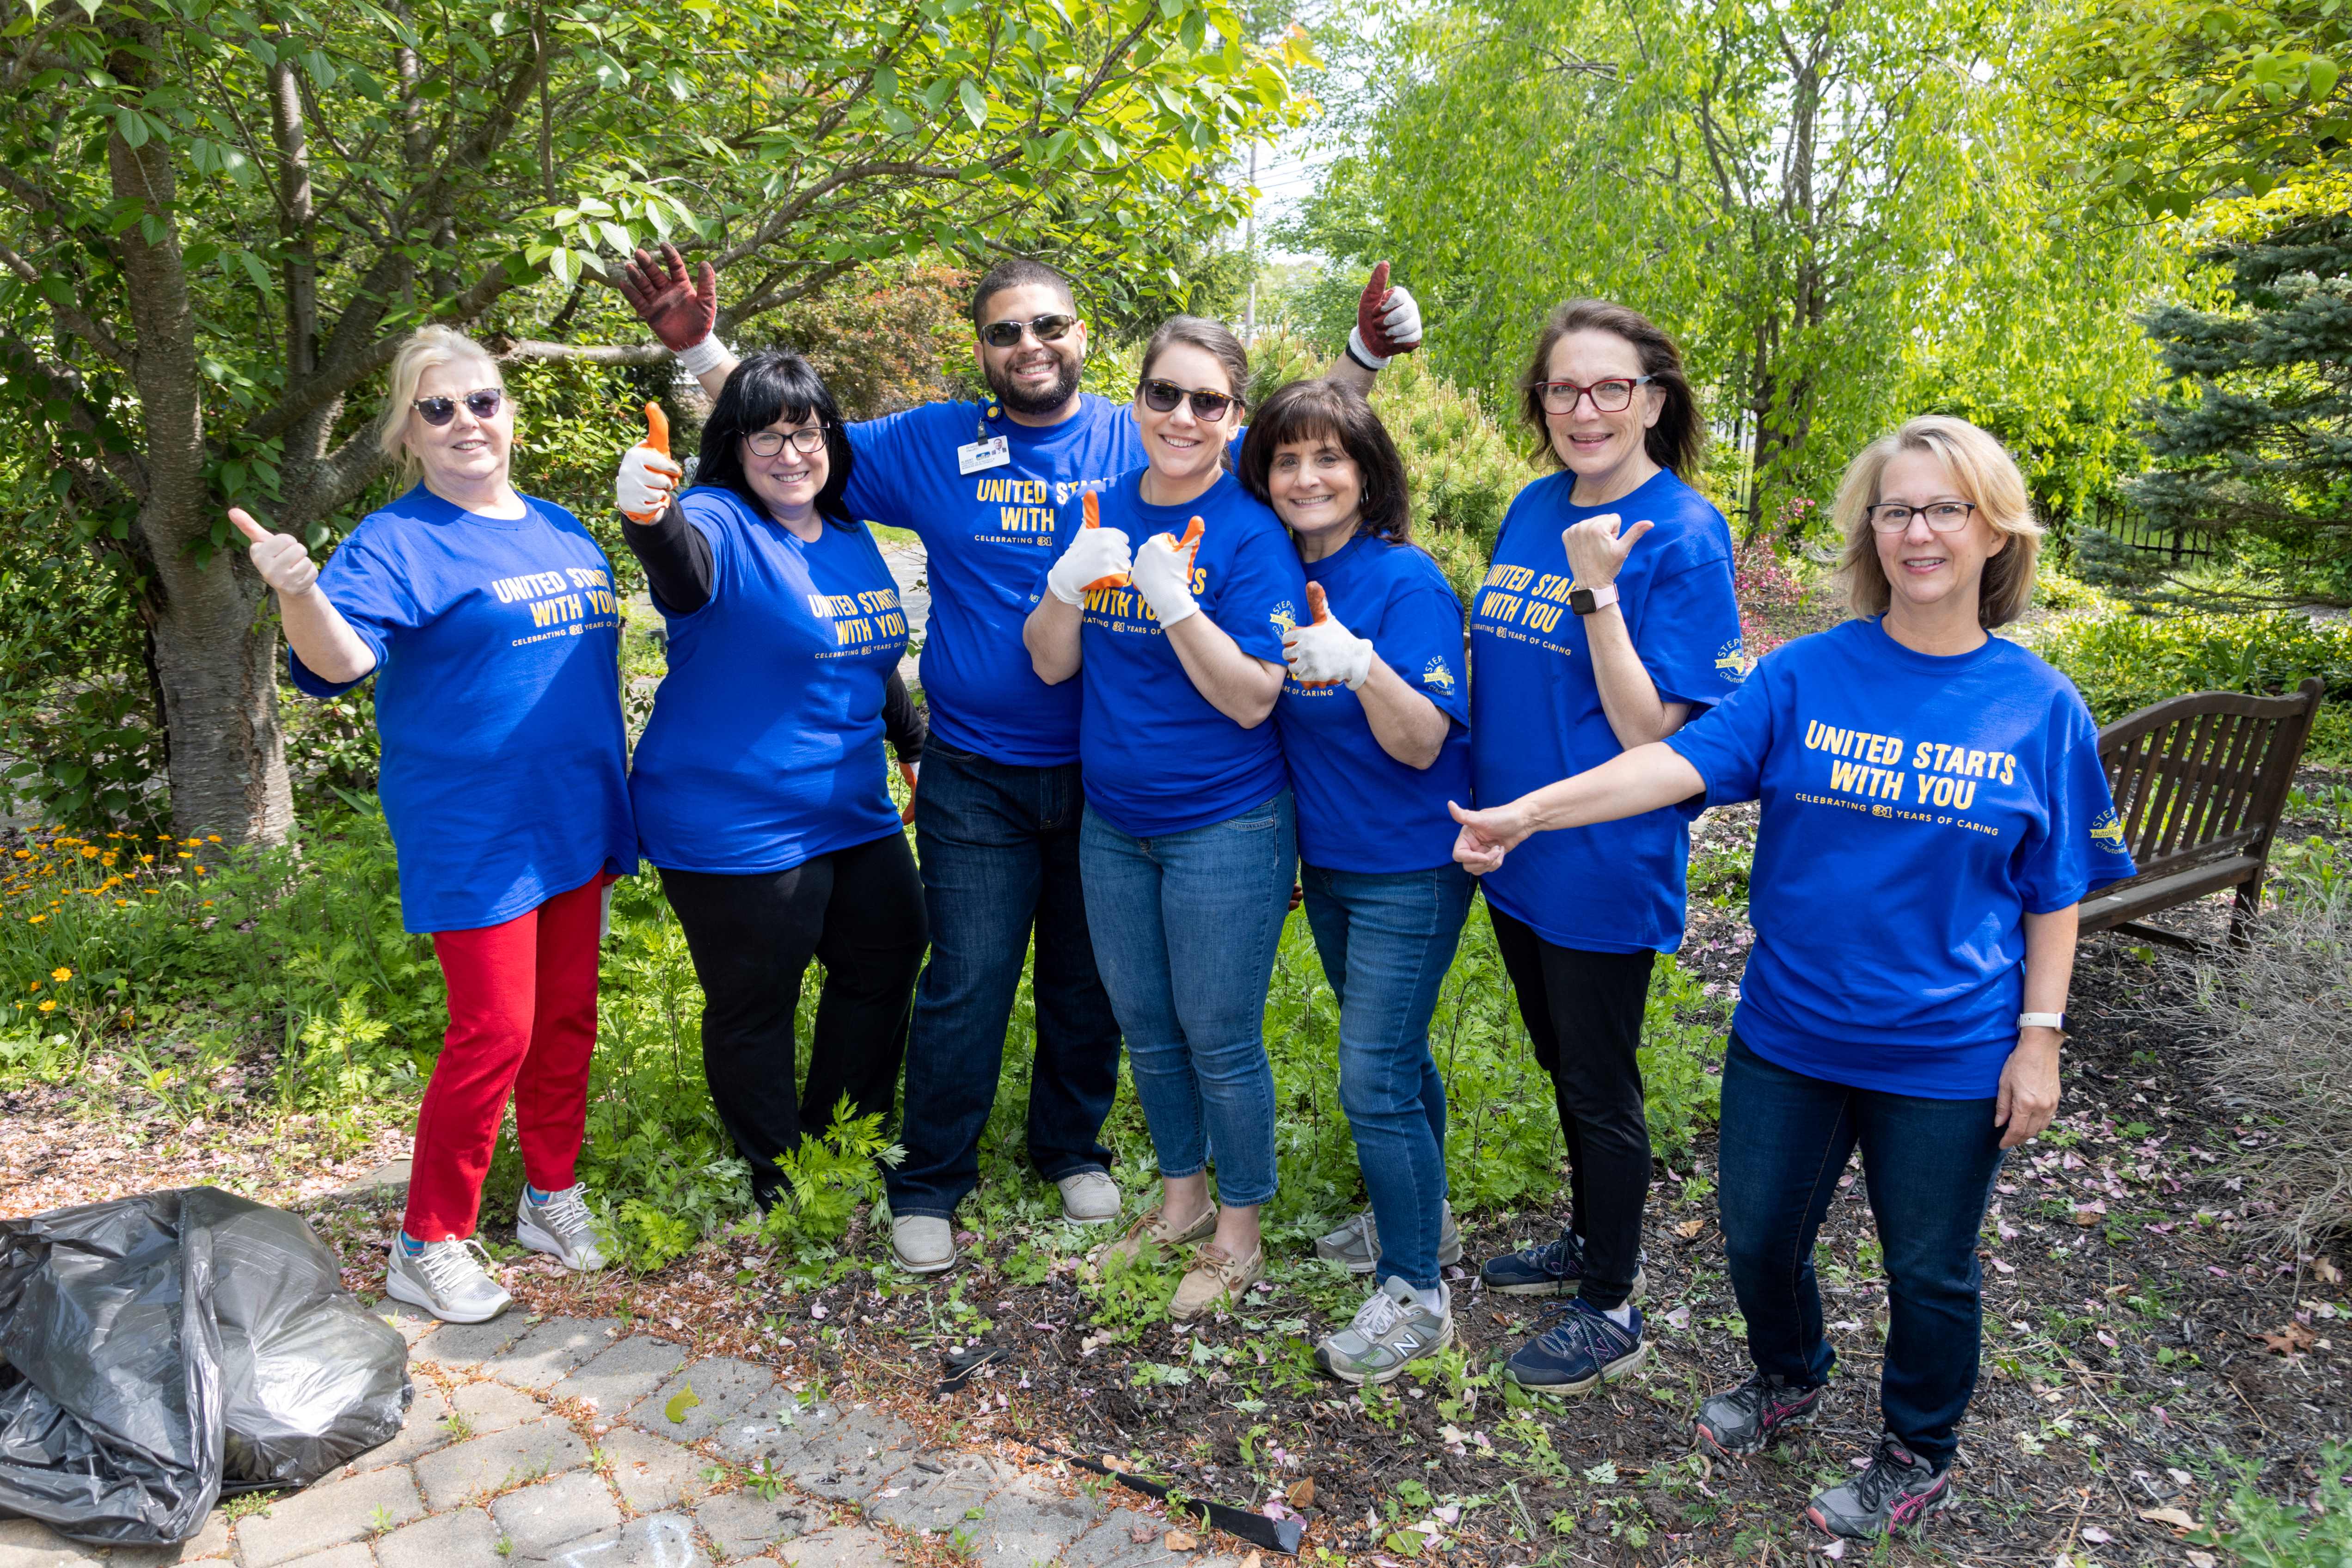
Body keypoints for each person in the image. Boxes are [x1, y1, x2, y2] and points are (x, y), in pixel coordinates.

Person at [622, 246, 1424, 1274]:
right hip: (978, 769)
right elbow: (789, 439)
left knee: (1091, 980)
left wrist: (1362, 353)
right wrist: (699, 352)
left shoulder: (1140, 444)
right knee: (967, 976)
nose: (1030, 345)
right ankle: (931, 1175)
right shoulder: (932, 440)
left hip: (1105, 773)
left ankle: (1069, 1145)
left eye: (1050, 326)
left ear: (1088, 339)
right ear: (982, 348)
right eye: (1005, 330)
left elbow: (1287, 445)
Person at [1450, 415, 2137, 1539]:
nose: (1919, 531)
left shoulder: (2040, 706)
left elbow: (2054, 885)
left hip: (1947, 1052)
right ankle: (1790, 1372)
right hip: (1791, 1032)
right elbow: (1674, 760)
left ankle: (1918, 1447)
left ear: (1993, 530)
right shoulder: (1808, 673)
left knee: (1929, 1270)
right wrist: (1528, 814)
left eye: (1946, 508)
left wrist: (2041, 1035)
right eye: (1898, 508)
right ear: (1872, 531)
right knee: (1760, 1235)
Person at [235, 326, 635, 1323]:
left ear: (510, 412)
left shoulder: (559, 528)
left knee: (565, 1022)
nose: (467, 422)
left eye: (484, 401)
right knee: (491, 1032)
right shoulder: (397, 541)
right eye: (439, 408)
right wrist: (299, 593)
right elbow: (338, 664)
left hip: (575, 815)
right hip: (476, 828)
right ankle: (429, 1240)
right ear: (406, 433)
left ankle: (550, 1194)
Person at [1462, 300, 1745, 1393]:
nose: (1585, 409)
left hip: (1602, 856)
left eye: (1610, 388)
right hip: (1515, 850)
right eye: (1563, 389)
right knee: (1557, 1062)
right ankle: (1587, 1241)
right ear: (1539, 403)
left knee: (1597, 1081)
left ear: (1654, 401)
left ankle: (1613, 1303)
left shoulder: (1683, 529)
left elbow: (1653, 731)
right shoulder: (1533, 506)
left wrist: (1598, 588)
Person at [1023, 317, 1306, 1322]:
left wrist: (1176, 603)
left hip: (1225, 824)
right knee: (1146, 1027)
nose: (1181, 416)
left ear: (1234, 417)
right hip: (1115, 822)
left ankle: (1241, 1228)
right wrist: (1070, 580)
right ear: (1137, 400)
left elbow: (1252, 697)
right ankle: (1181, 1198)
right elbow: (1052, 660)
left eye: (1207, 401)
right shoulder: (1102, 506)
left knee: (1219, 1034)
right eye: (1163, 394)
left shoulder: (1249, 531)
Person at [611, 351, 929, 1211]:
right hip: (733, 819)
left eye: (807, 431)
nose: (791, 454)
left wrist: (913, 741)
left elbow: (863, 653)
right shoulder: (718, 519)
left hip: (849, 809)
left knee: (891, 951)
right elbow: (681, 569)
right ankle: (778, 1175)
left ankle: (843, 1137)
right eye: (766, 436)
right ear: (733, 445)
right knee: (757, 1002)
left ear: (830, 436)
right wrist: (649, 516)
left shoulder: (849, 532)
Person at [1235, 379, 1474, 1383]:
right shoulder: (1270, 573)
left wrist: (1366, 662)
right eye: (1287, 459)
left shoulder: (1406, 580)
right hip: (1330, 866)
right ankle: (1424, 1217)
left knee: (1371, 1076)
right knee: (1398, 1055)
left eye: (1329, 457)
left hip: (1410, 868)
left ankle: (1416, 1291)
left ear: (1368, 474)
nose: (1307, 476)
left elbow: (1424, 743)